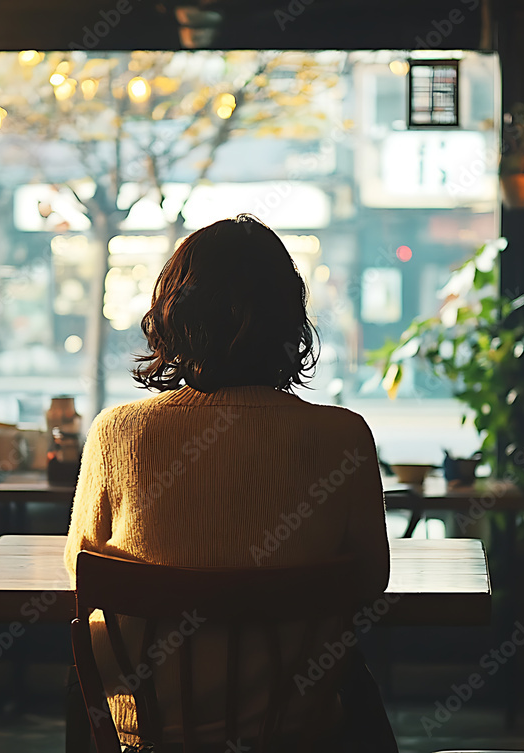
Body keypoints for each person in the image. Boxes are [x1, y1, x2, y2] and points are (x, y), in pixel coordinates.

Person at [65, 214, 393, 751]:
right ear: (291, 322)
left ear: (174, 316)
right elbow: (369, 579)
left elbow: (83, 570)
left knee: (79, 673)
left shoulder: (117, 433)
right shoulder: (344, 436)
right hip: (295, 730)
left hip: (152, 732)